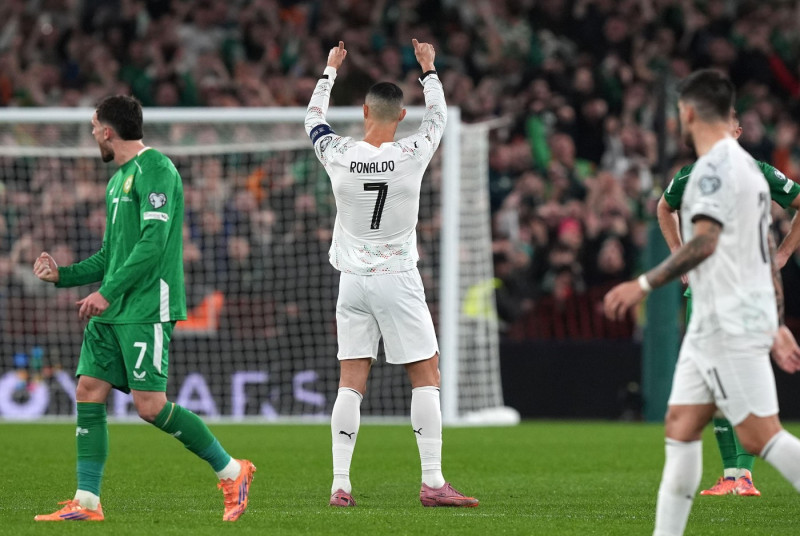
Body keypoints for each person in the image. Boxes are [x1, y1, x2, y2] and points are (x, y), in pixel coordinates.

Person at [32, 95, 255, 522]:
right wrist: (63, 276)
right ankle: (87, 502)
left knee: (150, 406)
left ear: (108, 130)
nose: (92, 133)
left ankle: (232, 470)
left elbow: (152, 245)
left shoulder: (157, 169)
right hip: (114, 308)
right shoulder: (117, 181)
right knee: (88, 391)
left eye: (93, 126)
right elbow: (109, 255)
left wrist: (107, 293)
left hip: (146, 305)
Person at [604, 69, 800, 536]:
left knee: (760, 435)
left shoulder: (712, 170)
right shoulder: (748, 170)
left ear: (688, 113)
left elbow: (707, 242)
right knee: (681, 424)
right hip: (721, 313)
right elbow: (760, 255)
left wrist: (645, 285)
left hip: (727, 319)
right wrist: (777, 320)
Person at [304, 40, 478, 508]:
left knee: (351, 380)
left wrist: (329, 70)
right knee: (426, 373)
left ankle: (341, 485)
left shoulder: (337, 153)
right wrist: (429, 69)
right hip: (397, 276)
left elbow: (312, 120)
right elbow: (438, 117)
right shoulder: (412, 152)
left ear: (364, 111)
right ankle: (433, 482)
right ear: (400, 117)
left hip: (351, 280)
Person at [656, 110, 800, 497]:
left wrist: (783, 255)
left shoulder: (759, 173)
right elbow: (662, 207)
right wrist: (677, 252)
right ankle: (732, 474)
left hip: (744, 293)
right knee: (710, 389)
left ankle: (744, 475)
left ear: (737, 132)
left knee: (739, 388)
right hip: (703, 293)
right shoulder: (691, 175)